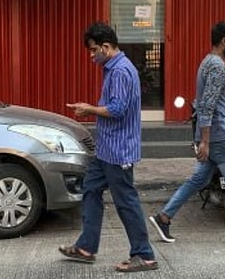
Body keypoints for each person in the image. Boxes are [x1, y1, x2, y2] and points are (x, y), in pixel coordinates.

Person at [149, 21, 225, 244]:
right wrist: (205, 141)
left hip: (217, 131)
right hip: (217, 135)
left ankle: (163, 217)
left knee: (198, 179)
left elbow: (218, 106)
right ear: (224, 41)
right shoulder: (215, 66)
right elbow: (207, 105)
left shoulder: (207, 62)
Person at [58, 22, 158, 273]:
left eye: (93, 51)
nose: (91, 56)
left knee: (126, 201)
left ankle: (144, 255)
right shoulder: (112, 68)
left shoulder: (122, 71)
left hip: (119, 151)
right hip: (106, 150)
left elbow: (117, 109)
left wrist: (88, 109)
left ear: (105, 47)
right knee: (91, 190)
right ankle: (86, 247)